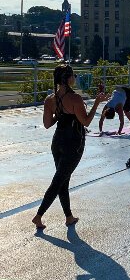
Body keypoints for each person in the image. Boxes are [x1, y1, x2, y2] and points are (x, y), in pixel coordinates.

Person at [32, 65, 108, 230]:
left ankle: (69, 217)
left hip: (57, 143)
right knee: (58, 181)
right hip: (73, 144)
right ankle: (38, 216)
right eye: (73, 75)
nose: (75, 77)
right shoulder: (75, 99)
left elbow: (47, 124)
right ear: (67, 78)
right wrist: (96, 103)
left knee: (63, 180)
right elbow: (86, 121)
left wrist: (59, 114)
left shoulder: (50, 99)